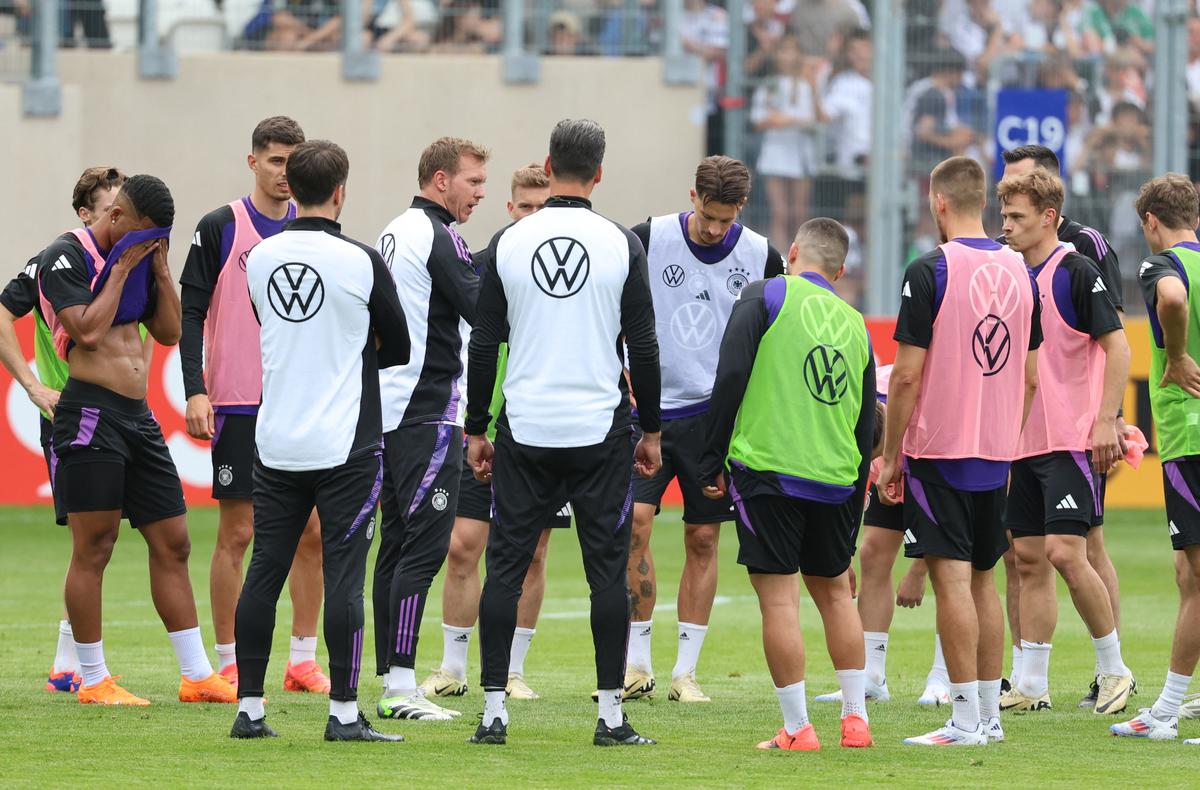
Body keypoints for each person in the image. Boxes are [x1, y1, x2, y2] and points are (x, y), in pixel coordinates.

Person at [466, 118, 662, 746]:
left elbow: (484, 341)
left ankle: (494, 711)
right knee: (606, 574)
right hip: (599, 429)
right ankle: (609, 716)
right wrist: (652, 429)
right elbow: (645, 345)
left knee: (506, 569)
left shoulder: (510, 241)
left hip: (526, 427)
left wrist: (476, 427)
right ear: (599, 172)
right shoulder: (619, 242)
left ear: (547, 168)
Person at [231, 139, 411, 741]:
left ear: (292, 189)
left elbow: (270, 322)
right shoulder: (361, 260)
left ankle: (250, 711)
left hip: (276, 439)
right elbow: (401, 346)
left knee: (264, 572)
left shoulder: (259, 258)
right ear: (340, 191)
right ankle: (342, 714)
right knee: (344, 578)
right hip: (346, 446)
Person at [38, 174, 235, 706]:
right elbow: (87, 331)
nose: (146, 246)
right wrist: (122, 267)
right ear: (118, 218)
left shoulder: (147, 257)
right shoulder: (66, 255)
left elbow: (169, 333)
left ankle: (196, 676)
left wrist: (161, 269)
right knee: (95, 547)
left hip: (138, 417)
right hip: (88, 413)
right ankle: (94, 679)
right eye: (143, 237)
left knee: (174, 541)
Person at [877, 156, 1041, 746]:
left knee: (951, 582)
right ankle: (990, 718)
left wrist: (891, 454)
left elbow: (905, 378)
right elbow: (1028, 376)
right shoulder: (1024, 272)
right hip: (996, 453)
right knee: (983, 583)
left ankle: (966, 719)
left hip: (940, 449)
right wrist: (1006, 437)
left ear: (937, 201)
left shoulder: (930, 270)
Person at [700, 217, 875, 751]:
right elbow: (868, 425)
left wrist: (710, 459)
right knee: (836, 597)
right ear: (841, 270)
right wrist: (855, 509)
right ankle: (855, 721)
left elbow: (730, 376)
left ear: (792, 252)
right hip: (838, 480)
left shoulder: (764, 296)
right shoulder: (856, 323)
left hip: (770, 471)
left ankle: (798, 728)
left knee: (779, 602)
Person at [624, 155, 785, 704]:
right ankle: (636, 663)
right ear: (691, 195)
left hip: (714, 417)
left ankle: (684, 673)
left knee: (703, 536)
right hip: (648, 412)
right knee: (635, 527)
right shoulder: (647, 238)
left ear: (740, 208)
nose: (715, 228)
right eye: (707, 214)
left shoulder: (762, 254)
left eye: (726, 218)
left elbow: (773, 338)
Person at [180, 116, 330, 695]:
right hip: (239, 402)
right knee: (238, 532)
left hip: (300, 403)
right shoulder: (221, 225)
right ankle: (230, 659)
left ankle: (301, 659)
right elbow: (192, 312)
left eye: (293, 161)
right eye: (274, 160)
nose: (285, 172)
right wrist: (195, 388)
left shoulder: (316, 228)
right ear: (253, 163)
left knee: (312, 531)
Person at [420, 162, 563, 702]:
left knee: (532, 553)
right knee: (462, 546)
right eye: (524, 207)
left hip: (542, 428)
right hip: (481, 428)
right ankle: (453, 668)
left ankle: (513, 670)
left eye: (542, 209)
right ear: (509, 209)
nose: (532, 217)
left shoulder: (568, 273)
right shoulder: (478, 268)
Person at [995, 168, 1135, 716]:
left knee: (1064, 553)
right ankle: (1031, 682)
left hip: (1073, 438)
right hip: (1023, 441)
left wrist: (1107, 421)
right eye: (1003, 216)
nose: (1005, 227)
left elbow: (1118, 348)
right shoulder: (1007, 275)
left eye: (1016, 217)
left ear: (1048, 218)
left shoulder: (1076, 271)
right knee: (1027, 558)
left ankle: (1114, 669)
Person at [373, 136, 488, 722]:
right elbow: (481, 311)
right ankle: (399, 688)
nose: (480, 192)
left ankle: (391, 679)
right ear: (440, 179)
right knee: (421, 549)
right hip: (428, 410)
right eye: (473, 181)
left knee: (394, 545)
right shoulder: (439, 236)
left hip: (389, 412)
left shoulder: (394, 229)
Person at [0, 166, 125, 694]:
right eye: (110, 208)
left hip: (124, 416)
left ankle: (67, 663)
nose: (121, 217)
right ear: (85, 213)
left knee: (104, 538)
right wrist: (32, 386)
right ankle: (69, 664)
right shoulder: (57, 260)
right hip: (74, 415)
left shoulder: (130, 256)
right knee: (90, 540)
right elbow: (3, 313)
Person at [1112, 173, 1200, 744]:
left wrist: (1175, 353)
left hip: (1191, 437)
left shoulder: (1160, 265)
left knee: (1197, 576)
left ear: (1151, 221)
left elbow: (1171, 299)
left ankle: (1167, 710)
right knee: (1187, 572)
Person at [812, 364, 950, 708]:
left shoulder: (925, 408)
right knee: (872, 553)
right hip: (892, 473)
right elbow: (848, 487)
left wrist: (918, 571)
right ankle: (871, 678)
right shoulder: (854, 409)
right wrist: (842, 557)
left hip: (933, 468)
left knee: (948, 568)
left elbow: (947, 536)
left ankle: (943, 678)